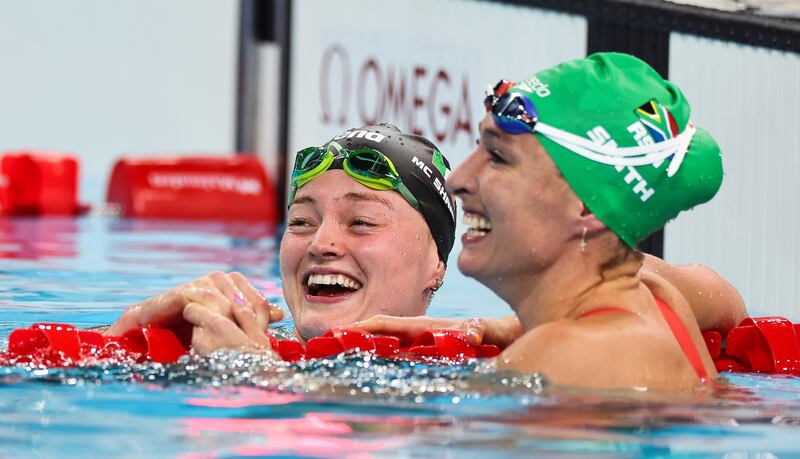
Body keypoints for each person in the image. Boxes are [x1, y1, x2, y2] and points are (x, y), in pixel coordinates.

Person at [346, 53, 747, 390]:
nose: (458, 180)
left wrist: (279, 371)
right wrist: (516, 324)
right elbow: (724, 300)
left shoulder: (563, 357)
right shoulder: (658, 298)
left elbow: (422, 428)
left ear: (588, 209)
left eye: (499, 158)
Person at [104, 124, 458, 352]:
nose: (321, 244)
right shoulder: (224, 341)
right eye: (302, 221)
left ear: (435, 265)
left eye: (361, 222)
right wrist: (128, 333)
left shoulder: (462, 376)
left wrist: (251, 376)